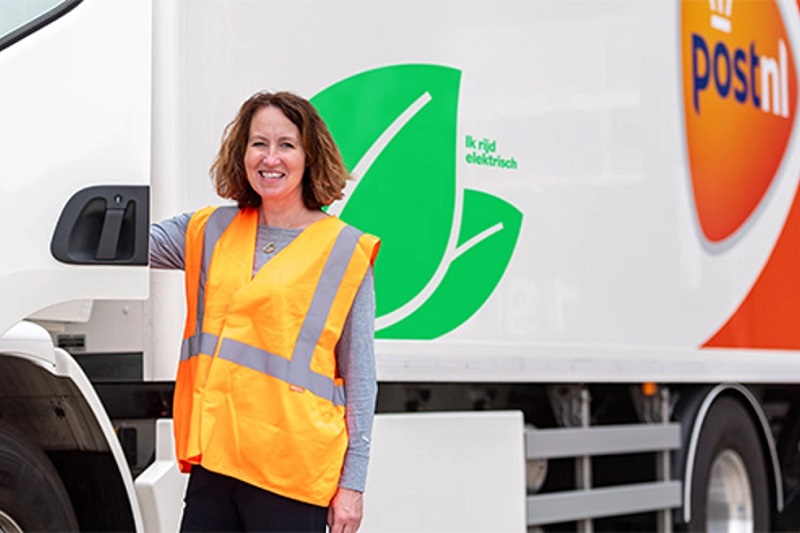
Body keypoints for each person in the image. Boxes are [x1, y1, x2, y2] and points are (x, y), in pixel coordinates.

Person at [149, 91, 380, 532]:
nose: (270, 157)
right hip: (216, 467)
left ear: (309, 156)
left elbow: (361, 377)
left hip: (291, 474)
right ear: (242, 152)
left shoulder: (344, 250)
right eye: (259, 143)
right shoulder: (209, 230)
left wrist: (353, 484)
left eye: (286, 145)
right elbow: (125, 242)